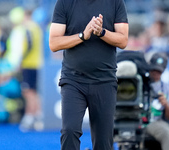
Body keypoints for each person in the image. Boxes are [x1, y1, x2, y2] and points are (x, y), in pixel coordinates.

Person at [49, 0, 129, 149]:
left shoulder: (115, 2)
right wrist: (82, 36)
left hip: (104, 80)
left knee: (103, 141)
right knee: (69, 130)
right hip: (73, 80)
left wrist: (101, 32)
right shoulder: (65, 3)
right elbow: (54, 43)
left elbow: (123, 40)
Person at [146, 52, 169, 150]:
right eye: (154, 70)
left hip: (155, 122)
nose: (155, 73)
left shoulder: (168, 90)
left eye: (159, 71)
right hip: (137, 120)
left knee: (166, 130)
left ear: (163, 71)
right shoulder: (139, 82)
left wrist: (166, 105)